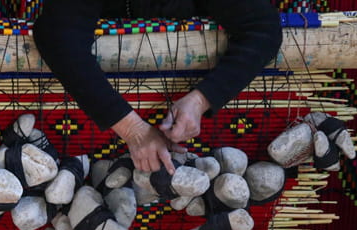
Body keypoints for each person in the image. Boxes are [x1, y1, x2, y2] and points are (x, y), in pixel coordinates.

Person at [33, 0, 283, 174]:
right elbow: (57, 35)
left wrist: (201, 100)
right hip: (89, 141)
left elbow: (263, 28)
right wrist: (132, 129)